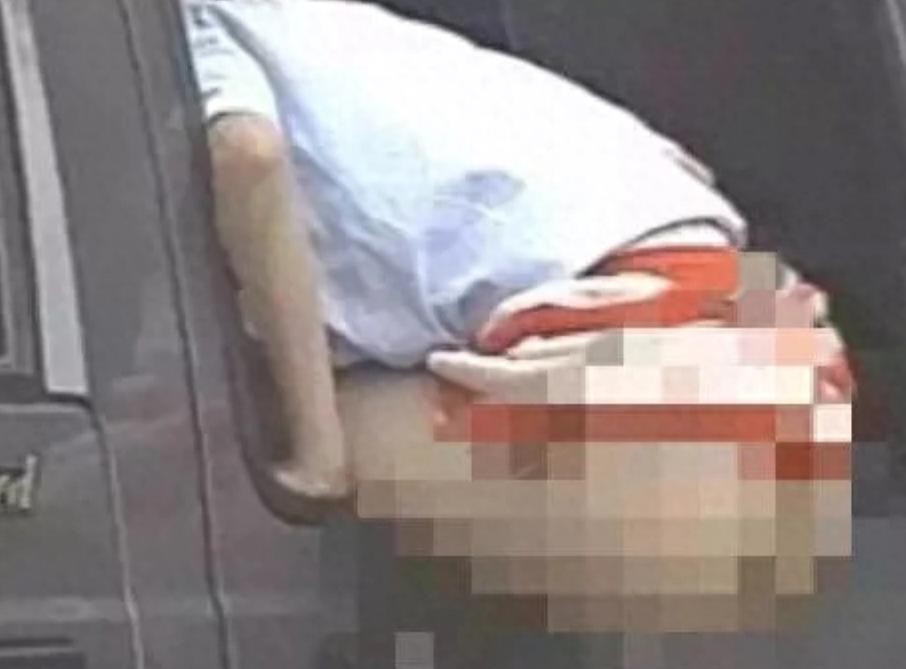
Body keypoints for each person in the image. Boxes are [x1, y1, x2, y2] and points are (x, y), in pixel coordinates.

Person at [183, 0, 848, 500]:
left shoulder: (176, 27)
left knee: (242, 437)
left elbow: (246, 154)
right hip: (720, 281)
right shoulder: (326, 26)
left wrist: (318, 456)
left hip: (616, 317)